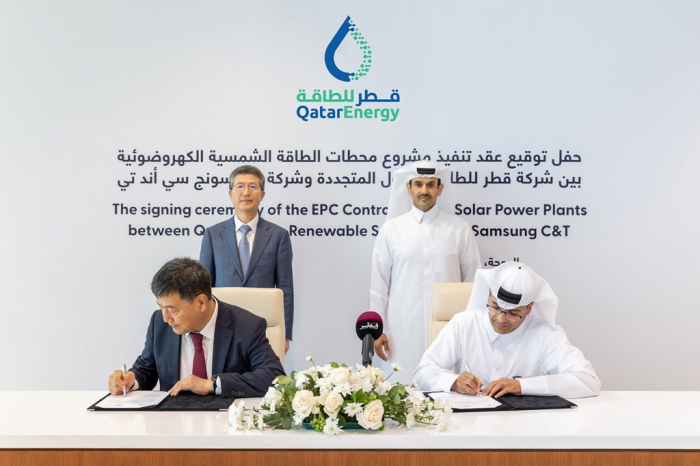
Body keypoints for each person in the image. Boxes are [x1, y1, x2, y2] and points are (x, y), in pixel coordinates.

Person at [414, 261, 601, 399]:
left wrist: (521, 385)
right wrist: (452, 382)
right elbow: (423, 371)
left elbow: (588, 381)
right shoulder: (464, 323)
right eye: (495, 307)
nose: (501, 319)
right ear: (488, 295)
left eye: (513, 313)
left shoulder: (546, 335)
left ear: (529, 308)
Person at [107, 257, 285, 397]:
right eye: (160, 307)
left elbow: (274, 377)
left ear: (200, 302)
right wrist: (131, 379)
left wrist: (211, 384)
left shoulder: (247, 326)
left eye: (172, 310)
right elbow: (146, 369)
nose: (166, 318)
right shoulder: (159, 323)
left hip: (225, 425)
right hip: (173, 424)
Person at [369, 161, 481, 383]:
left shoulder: (460, 230)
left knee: (448, 392)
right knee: (401, 392)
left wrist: (472, 330)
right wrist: (376, 329)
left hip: (449, 330)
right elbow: (379, 285)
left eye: (431, 185)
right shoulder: (391, 230)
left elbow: (473, 284)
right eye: (418, 184)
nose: (424, 191)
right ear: (408, 188)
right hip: (401, 329)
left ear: (440, 189)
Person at [199, 165, 294, 353]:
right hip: (221, 326)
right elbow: (203, 287)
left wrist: (285, 334)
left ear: (262, 194)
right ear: (230, 193)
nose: (246, 192)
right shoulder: (213, 234)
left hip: (264, 328)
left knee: (263, 380)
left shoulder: (278, 235)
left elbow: (286, 289)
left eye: (253, 187)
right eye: (240, 186)